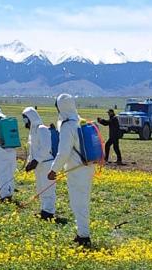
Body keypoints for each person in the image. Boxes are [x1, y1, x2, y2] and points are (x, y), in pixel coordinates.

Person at [49, 93, 96, 246]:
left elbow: (63, 152)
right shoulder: (79, 121)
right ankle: (82, 232)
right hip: (87, 167)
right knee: (82, 200)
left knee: (78, 202)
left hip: (77, 170)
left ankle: (84, 236)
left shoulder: (67, 125)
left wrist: (53, 170)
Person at [22, 106, 58, 220]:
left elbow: (45, 147)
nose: (25, 121)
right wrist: (29, 162)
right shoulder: (32, 132)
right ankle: (44, 210)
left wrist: (35, 161)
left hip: (46, 163)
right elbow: (33, 150)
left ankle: (49, 212)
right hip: (38, 165)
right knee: (41, 188)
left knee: (48, 188)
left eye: (25, 118)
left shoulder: (42, 129)